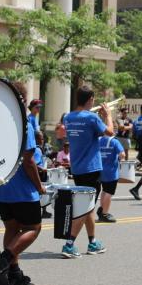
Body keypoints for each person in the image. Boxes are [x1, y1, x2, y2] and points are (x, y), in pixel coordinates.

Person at [0, 82, 46, 285]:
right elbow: (29, 161)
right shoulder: (23, 124)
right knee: (33, 228)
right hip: (20, 188)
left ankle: (13, 272)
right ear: (20, 100)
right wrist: (39, 187)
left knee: (12, 228)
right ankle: (2, 260)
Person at [62, 86, 114, 258]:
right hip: (91, 168)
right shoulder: (92, 117)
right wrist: (108, 116)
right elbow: (110, 132)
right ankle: (69, 244)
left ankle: (92, 242)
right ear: (90, 98)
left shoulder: (68, 117)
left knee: (89, 205)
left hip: (77, 168)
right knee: (85, 206)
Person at [98, 134, 125, 222]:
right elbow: (122, 154)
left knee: (104, 190)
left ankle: (101, 209)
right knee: (109, 192)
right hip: (111, 171)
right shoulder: (114, 141)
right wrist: (121, 159)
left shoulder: (98, 139)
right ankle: (105, 214)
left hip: (100, 169)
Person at [34, 131, 52, 219]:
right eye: (41, 138)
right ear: (36, 139)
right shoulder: (37, 150)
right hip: (40, 174)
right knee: (41, 191)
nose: (43, 140)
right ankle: (40, 211)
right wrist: (44, 169)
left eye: (43, 138)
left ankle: (44, 211)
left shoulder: (39, 149)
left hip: (41, 173)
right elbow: (35, 165)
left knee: (42, 192)